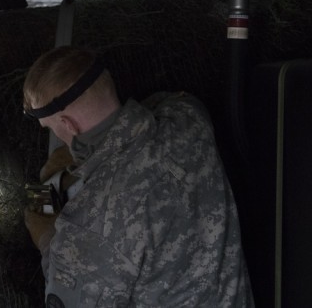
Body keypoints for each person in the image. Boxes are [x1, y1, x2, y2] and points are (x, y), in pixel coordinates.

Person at [22, 46, 254, 307]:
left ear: (69, 125)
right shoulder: (188, 120)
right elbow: (169, 102)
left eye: (50, 129)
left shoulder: (88, 226)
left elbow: (67, 284)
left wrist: (44, 232)